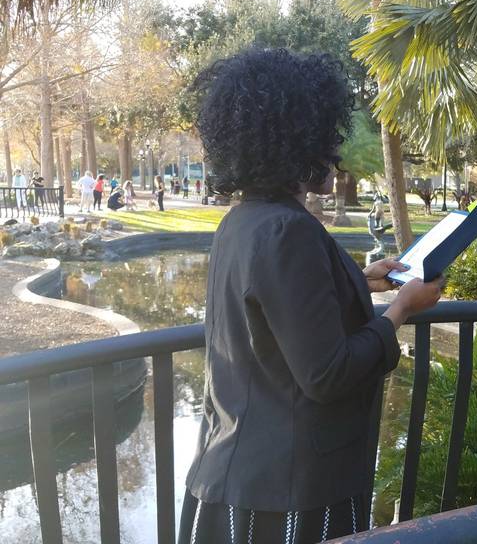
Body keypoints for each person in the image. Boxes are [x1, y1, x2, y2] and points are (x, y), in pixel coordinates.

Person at [178, 48, 444, 544]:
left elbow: (274, 303)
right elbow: (328, 373)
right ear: (293, 142)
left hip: (238, 478)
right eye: (326, 137)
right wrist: (403, 307)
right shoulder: (288, 231)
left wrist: (360, 279)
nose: (335, 152)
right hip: (285, 500)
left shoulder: (243, 221)